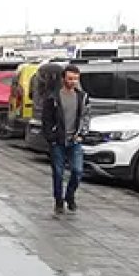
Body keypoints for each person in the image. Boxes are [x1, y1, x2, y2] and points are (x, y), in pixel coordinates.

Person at [41, 64, 89, 214]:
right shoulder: (53, 97)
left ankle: (70, 195)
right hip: (58, 141)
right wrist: (51, 137)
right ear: (63, 79)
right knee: (58, 173)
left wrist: (82, 134)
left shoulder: (82, 97)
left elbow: (85, 116)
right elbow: (46, 119)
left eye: (75, 79)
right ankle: (58, 200)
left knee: (77, 171)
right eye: (70, 78)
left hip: (75, 140)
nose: (73, 82)